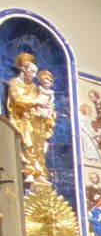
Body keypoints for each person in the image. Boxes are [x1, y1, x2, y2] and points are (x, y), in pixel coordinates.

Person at [6, 52, 54, 184]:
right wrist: (36, 102)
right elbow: (18, 100)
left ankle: (38, 173)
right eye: (32, 71)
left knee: (39, 146)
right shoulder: (14, 83)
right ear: (23, 69)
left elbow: (40, 101)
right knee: (28, 143)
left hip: (36, 120)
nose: (34, 75)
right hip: (23, 119)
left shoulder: (34, 87)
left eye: (35, 72)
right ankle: (28, 171)